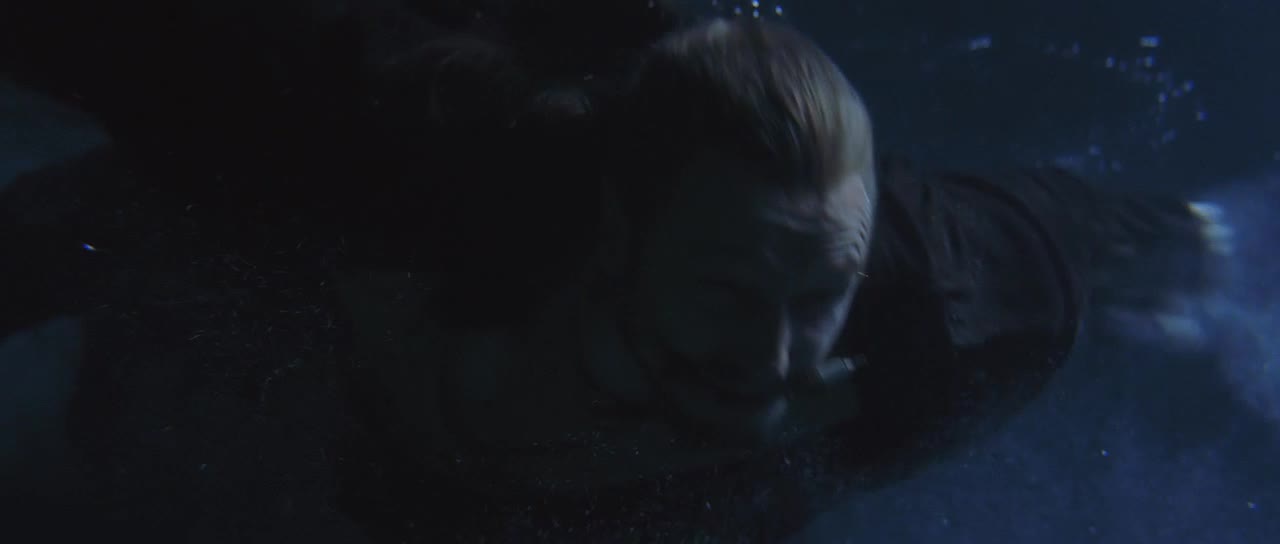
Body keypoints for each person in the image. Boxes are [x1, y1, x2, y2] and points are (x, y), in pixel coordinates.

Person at [333, 15, 1234, 542]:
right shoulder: (445, 209)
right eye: (729, 292)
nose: (772, 357)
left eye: (815, 300)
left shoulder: (942, 313)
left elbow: (1054, 239)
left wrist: (1189, 248)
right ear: (621, 235)